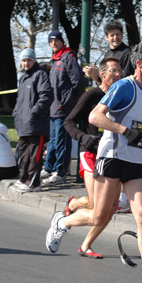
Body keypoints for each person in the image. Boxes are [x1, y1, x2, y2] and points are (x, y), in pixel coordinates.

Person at [44, 41, 142, 283]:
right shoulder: (124, 86)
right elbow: (95, 117)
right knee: (99, 217)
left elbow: (138, 126)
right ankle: (63, 221)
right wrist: (126, 131)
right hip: (111, 156)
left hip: (133, 160)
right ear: (140, 64)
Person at [62, 57, 121, 258]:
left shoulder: (122, 96)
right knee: (96, 205)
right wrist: (84, 137)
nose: (118, 74)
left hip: (113, 154)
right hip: (90, 152)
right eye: (113, 71)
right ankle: (72, 207)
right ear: (102, 75)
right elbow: (68, 122)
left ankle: (86, 244)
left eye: (119, 71)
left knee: (112, 206)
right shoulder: (92, 95)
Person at [83, 19, 134, 213]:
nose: (115, 37)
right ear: (106, 37)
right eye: (111, 34)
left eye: (118, 34)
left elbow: (122, 82)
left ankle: (123, 198)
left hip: (124, 104)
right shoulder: (107, 55)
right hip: (109, 106)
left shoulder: (127, 53)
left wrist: (98, 77)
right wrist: (96, 77)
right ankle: (116, 196)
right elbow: (106, 86)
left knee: (123, 149)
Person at [41, 30, 85, 184]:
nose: (53, 43)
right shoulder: (55, 59)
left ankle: (60, 172)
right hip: (53, 108)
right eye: (51, 41)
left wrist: (70, 100)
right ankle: (49, 168)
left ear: (61, 41)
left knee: (61, 141)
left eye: (56, 40)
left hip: (63, 108)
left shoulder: (68, 56)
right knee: (53, 140)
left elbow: (78, 81)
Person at [12, 48, 52, 193]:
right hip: (23, 124)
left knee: (34, 155)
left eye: (29, 60)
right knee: (23, 154)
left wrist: (34, 113)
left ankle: (33, 183)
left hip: (36, 125)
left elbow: (46, 96)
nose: (26, 63)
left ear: (34, 60)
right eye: (23, 60)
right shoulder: (23, 77)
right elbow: (19, 100)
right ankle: (24, 179)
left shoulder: (40, 75)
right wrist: (16, 113)